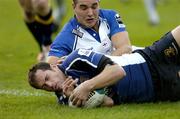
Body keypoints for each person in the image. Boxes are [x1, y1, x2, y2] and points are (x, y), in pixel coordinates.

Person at [28, 25, 180, 107]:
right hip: (159, 91)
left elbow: (118, 72)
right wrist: (79, 98)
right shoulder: (65, 99)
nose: (50, 85)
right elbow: (109, 103)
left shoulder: (75, 59)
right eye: (44, 86)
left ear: (54, 67)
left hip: (151, 60)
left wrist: (86, 86)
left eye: (47, 78)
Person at [47, 0, 132, 64]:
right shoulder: (67, 34)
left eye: (94, 7)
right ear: (74, 6)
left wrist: (93, 65)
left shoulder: (111, 16)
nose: (90, 13)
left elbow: (125, 48)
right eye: (84, 8)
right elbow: (51, 66)